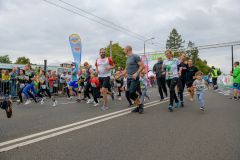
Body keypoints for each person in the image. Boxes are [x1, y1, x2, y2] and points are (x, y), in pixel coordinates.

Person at [115, 45, 145, 113]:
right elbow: (125, 70)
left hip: (134, 77)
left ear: (127, 50)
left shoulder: (135, 56)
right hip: (128, 78)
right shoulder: (128, 59)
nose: (124, 51)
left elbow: (142, 66)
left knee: (132, 92)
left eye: (124, 49)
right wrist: (119, 76)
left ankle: (140, 105)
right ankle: (138, 106)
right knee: (128, 94)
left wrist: (136, 73)